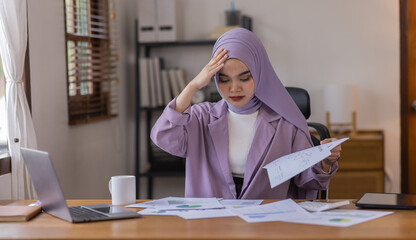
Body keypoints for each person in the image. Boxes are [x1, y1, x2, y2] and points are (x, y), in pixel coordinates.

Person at [151, 28, 342, 199]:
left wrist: (325, 162)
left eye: (244, 78)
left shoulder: (285, 122)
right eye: (224, 80)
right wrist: (192, 86)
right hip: (211, 222)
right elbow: (163, 136)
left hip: (268, 221)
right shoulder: (201, 117)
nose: (234, 89)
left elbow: (308, 181)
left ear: (259, 73)